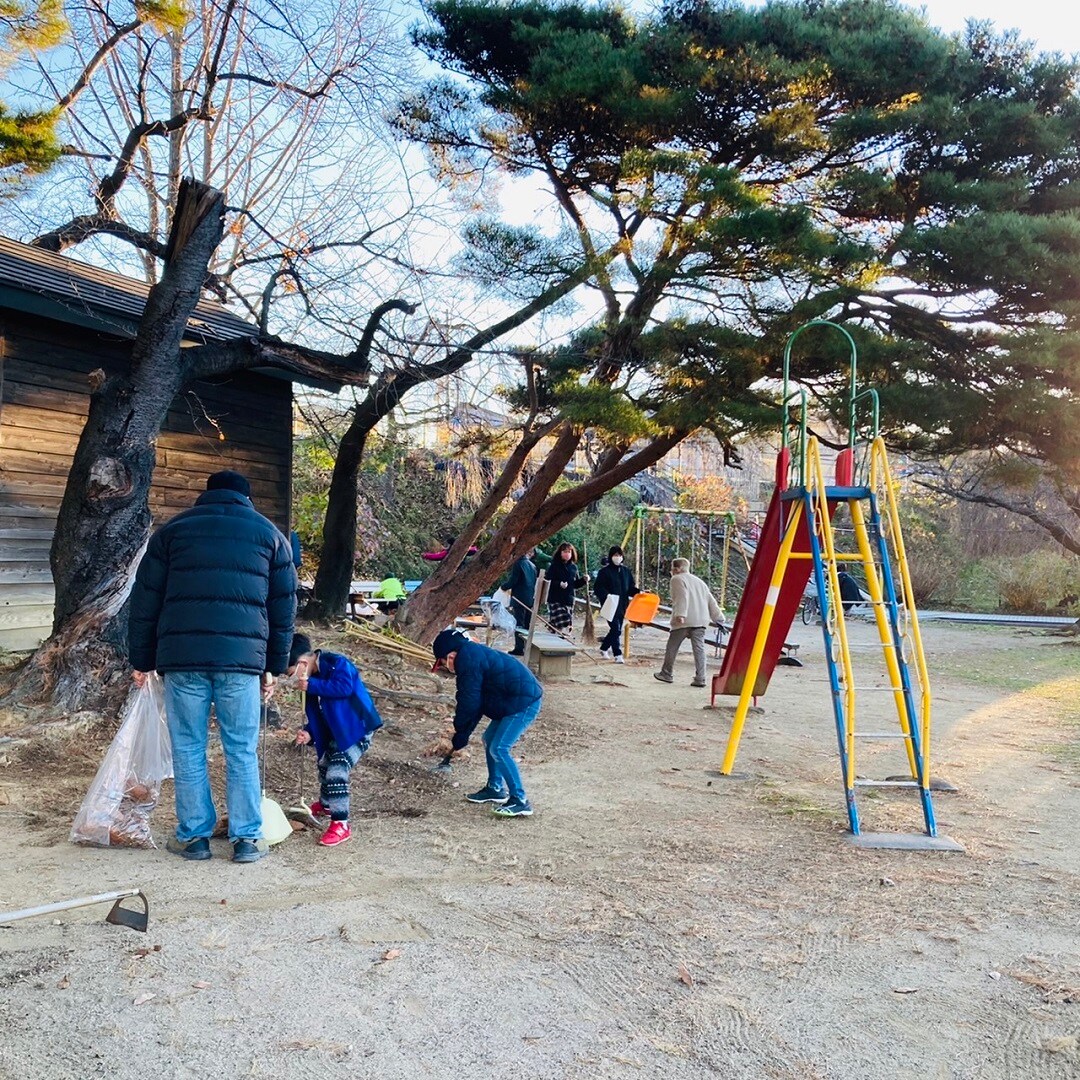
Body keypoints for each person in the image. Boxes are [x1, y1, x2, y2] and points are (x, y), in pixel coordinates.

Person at [128, 469, 297, 864]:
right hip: (241, 663)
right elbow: (284, 606)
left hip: (182, 659)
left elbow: (145, 599)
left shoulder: (173, 531)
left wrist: (142, 660)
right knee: (241, 748)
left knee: (188, 748)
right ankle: (247, 840)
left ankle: (195, 838)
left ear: (208, 495)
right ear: (246, 497)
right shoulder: (270, 534)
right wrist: (275, 665)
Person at [431, 629, 542, 817]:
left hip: (524, 700)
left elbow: (469, 701)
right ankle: (495, 788)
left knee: (499, 748)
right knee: (489, 739)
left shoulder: (467, 660)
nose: (445, 667)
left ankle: (520, 801)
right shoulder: (471, 655)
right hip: (510, 699)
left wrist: (461, 730)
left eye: (442, 663)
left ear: (450, 656)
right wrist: (463, 733)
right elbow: (476, 703)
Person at [289, 633, 383, 847]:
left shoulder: (337, 663)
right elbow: (317, 714)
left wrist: (311, 685)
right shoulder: (311, 683)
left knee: (337, 772)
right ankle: (327, 804)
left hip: (357, 728)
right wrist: (310, 732)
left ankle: (341, 823)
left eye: (292, 673)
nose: (294, 679)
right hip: (336, 731)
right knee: (324, 764)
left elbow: (344, 688)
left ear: (303, 664)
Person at [654, 558, 723, 688]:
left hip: (684, 620)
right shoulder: (700, 582)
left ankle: (666, 673)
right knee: (699, 650)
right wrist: (719, 618)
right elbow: (711, 601)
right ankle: (701, 678)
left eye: (672, 568)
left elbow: (681, 597)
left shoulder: (677, 579)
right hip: (701, 620)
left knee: (672, 647)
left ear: (676, 569)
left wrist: (680, 614)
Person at [593, 544, 638, 663]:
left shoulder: (626, 572)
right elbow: (598, 588)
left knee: (615, 629)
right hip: (609, 605)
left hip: (622, 605)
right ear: (610, 556)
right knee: (616, 629)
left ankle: (604, 647)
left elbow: (630, 588)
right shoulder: (604, 572)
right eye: (615, 555)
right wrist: (606, 595)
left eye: (619, 555)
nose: (617, 557)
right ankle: (618, 654)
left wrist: (640, 592)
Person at [502, 548, 538, 656]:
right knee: (527, 623)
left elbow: (513, 580)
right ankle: (527, 647)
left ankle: (519, 647)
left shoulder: (518, 564)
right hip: (530, 598)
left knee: (519, 623)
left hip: (519, 598)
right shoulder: (532, 566)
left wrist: (503, 587)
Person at [546, 541, 587, 634]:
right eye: (564, 551)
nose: (567, 554)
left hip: (569, 599)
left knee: (564, 626)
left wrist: (583, 580)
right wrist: (559, 584)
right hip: (556, 599)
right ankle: (555, 634)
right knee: (563, 621)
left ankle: (555, 637)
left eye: (569, 552)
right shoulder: (554, 566)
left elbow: (575, 584)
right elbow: (548, 581)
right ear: (560, 553)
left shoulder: (574, 567)